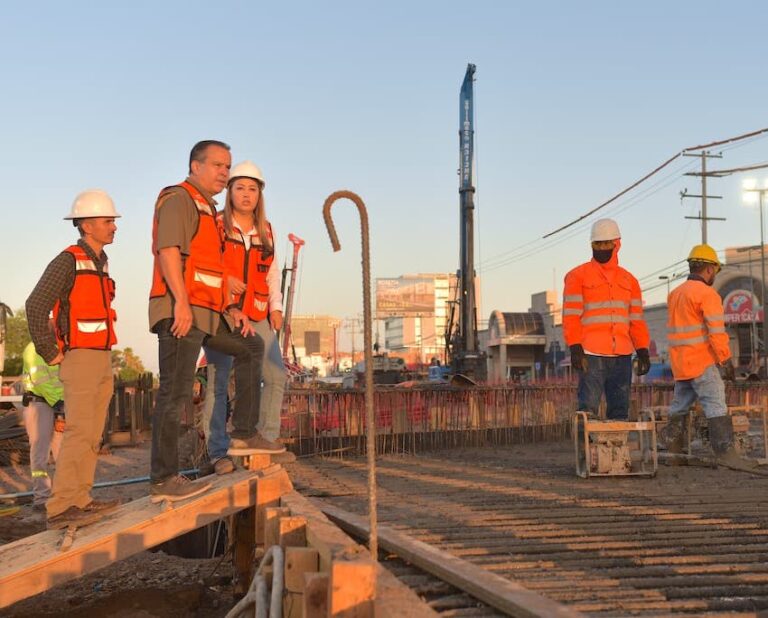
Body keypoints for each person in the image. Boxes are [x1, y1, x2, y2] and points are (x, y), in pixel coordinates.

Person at [148, 141, 282, 502]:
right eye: (218, 166)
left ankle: (244, 433)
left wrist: (232, 308)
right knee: (175, 393)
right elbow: (168, 251)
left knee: (251, 346)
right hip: (182, 311)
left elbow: (212, 267)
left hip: (209, 312)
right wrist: (180, 302)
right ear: (196, 166)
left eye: (227, 166)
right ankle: (163, 479)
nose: (224, 173)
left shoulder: (207, 209)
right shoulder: (179, 199)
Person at [26, 190, 121, 528]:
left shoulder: (101, 262)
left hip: (102, 357)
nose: (114, 227)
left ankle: (81, 498)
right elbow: (35, 305)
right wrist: (50, 351)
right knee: (79, 430)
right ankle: (61, 506)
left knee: (93, 433)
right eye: (108, 221)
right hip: (79, 358)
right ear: (86, 225)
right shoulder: (67, 261)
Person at [202, 161, 288, 475]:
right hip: (222, 315)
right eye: (240, 188)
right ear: (230, 191)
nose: (246, 194)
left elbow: (272, 271)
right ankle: (218, 453)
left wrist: (276, 307)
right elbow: (204, 263)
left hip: (258, 313)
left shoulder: (266, 230)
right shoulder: (216, 225)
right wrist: (225, 282)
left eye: (253, 189)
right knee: (219, 382)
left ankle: (264, 439)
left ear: (260, 194)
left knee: (276, 376)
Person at [663, 244, 760, 472]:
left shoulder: (675, 294)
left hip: (681, 365)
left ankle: (674, 453)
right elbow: (716, 332)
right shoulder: (707, 295)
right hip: (702, 362)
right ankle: (726, 454)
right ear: (709, 269)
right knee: (716, 404)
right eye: (715, 270)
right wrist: (725, 360)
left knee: (679, 407)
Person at [562, 218, 651, 419]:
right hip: (591, 354)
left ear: (616, 244)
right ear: (591, 245)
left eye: (606, 244)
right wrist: (575, 347)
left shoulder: (630, 281)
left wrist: (643, 351)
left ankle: (616, 441)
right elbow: (571, 316)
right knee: (587, 411)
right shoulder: (577, 276)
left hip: (622, 355)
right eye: (597, 244)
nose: (602, 248)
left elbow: (636, 321)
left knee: (620, 412)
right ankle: (585, 441)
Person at [21, 340, 65, 510]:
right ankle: (42, 498)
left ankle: (64, 495)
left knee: (63, 451)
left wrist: (62, 405)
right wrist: (59, 404)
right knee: (40, 452)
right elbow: (40, 381)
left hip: (58, 405)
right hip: (39, 404)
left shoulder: (58, 348)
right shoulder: (33, 349)